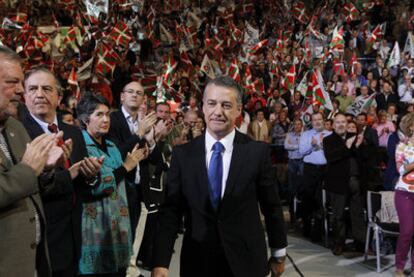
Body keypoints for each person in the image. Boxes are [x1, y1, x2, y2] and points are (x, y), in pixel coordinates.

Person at [152, 76, 287, 277]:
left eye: (226, 105)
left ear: (238, 110)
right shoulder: (183, 155)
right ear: (203, 108)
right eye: (212, 104)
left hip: (247, 262)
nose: (218, 112)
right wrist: (161, 262)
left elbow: (272, 206)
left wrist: (278, 253)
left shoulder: (257, 152)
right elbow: (171, 211)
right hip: (198, 261)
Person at [21, 67, 102, 277]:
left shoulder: (75, 132)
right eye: (33, 89)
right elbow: (26, 186)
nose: (39, 94)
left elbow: (84, 186)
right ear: (25, 96)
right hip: (40, 240)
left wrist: (91, 175)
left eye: (47, 89)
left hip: (74, 235)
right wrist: (68, 174)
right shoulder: (18, 133)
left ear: (58, 97)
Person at [0, 45, 66, 277]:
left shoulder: (15, 128)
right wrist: (29, 169)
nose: (21, 90)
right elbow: (22, 176)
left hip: (32, 263)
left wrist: (45, 170)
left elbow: (31, 187)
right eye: (12, 82)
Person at [76, 92, 148, 276]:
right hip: (96, 228)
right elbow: (101, 186)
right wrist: (127, 166)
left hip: (120, 226)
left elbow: (122, 182)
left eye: (107, 114)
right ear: (85, 119)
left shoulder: (112, 146)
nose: (105, 119)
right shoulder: (80, 146)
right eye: (99, 115)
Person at [106, 81, 164, 277]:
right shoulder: (111, 120)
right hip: (118, 189)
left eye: (139, 93)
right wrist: (138, 133)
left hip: (139, 190)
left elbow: (156, 160)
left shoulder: (146, 121)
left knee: (130, 243)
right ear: (122, 96)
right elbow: (114, 156)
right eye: (130, 91)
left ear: (143, 99)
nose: (134, 95)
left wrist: (151, 139)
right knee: (115, 243)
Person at [323, 113, 366, 255]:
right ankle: (339, 243)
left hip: (354, 181)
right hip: (337, 183)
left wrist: (358, 146)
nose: (341, 124)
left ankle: (360, 244)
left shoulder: (353, 137)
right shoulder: (328, 140)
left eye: (343, 122)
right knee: (338, 215)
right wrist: (346, 147)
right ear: (333, 125)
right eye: (338, 122)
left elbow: (360, 159)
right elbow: (331, 157)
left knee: (357, 214)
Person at [299, 112, 332, 239]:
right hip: (310, 170)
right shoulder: (306, 135)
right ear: (311, 122)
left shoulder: (330, 135)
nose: (317, 122)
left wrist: (325, 145)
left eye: (319, 119)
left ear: (323, 121)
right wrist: (312, 146)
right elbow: (301, 151)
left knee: (321, 200)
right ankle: (306, 228)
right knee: (308, 199)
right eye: (314, 120)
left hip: (325, 170)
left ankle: (318, 232)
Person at [394, 113, 414, 277]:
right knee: (407, 231)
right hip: (404, 192)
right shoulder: (402, 147)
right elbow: (400, 170)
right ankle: (399, 267)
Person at [284, 119, 304, 221]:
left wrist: (294, 146)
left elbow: (304, 148)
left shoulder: (304, 136)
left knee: (301, 187)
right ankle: (292, 215)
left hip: (301, 161)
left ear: (301, 125)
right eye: (295, 124)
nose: (297, 126)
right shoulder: (289, 135)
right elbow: (286, 146)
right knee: (291, 188)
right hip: (292, 162)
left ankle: (301, 214)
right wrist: (298, 146)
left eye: (299, 124)